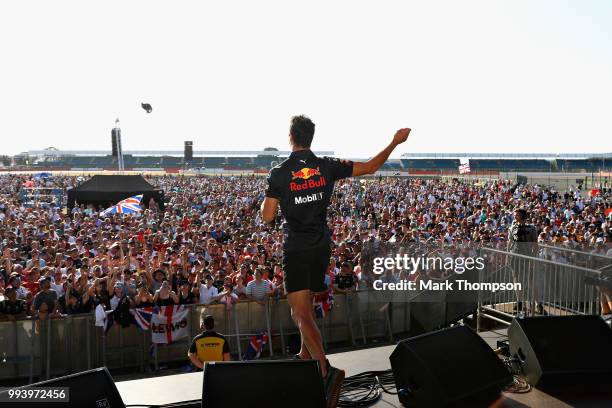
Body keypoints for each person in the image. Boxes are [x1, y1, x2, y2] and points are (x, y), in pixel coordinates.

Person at [260, 114, 410, 407]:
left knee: (299, 314)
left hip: (297, 247)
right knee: (306, 308)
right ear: (310, 138)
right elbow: (371, 167)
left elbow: (267, 216)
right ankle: (304, 358)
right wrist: (394, 141)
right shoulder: (327, 166)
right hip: (321, 245)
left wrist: (266, 207)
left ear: (291, 137)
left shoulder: (279, 172)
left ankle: (325, 371)